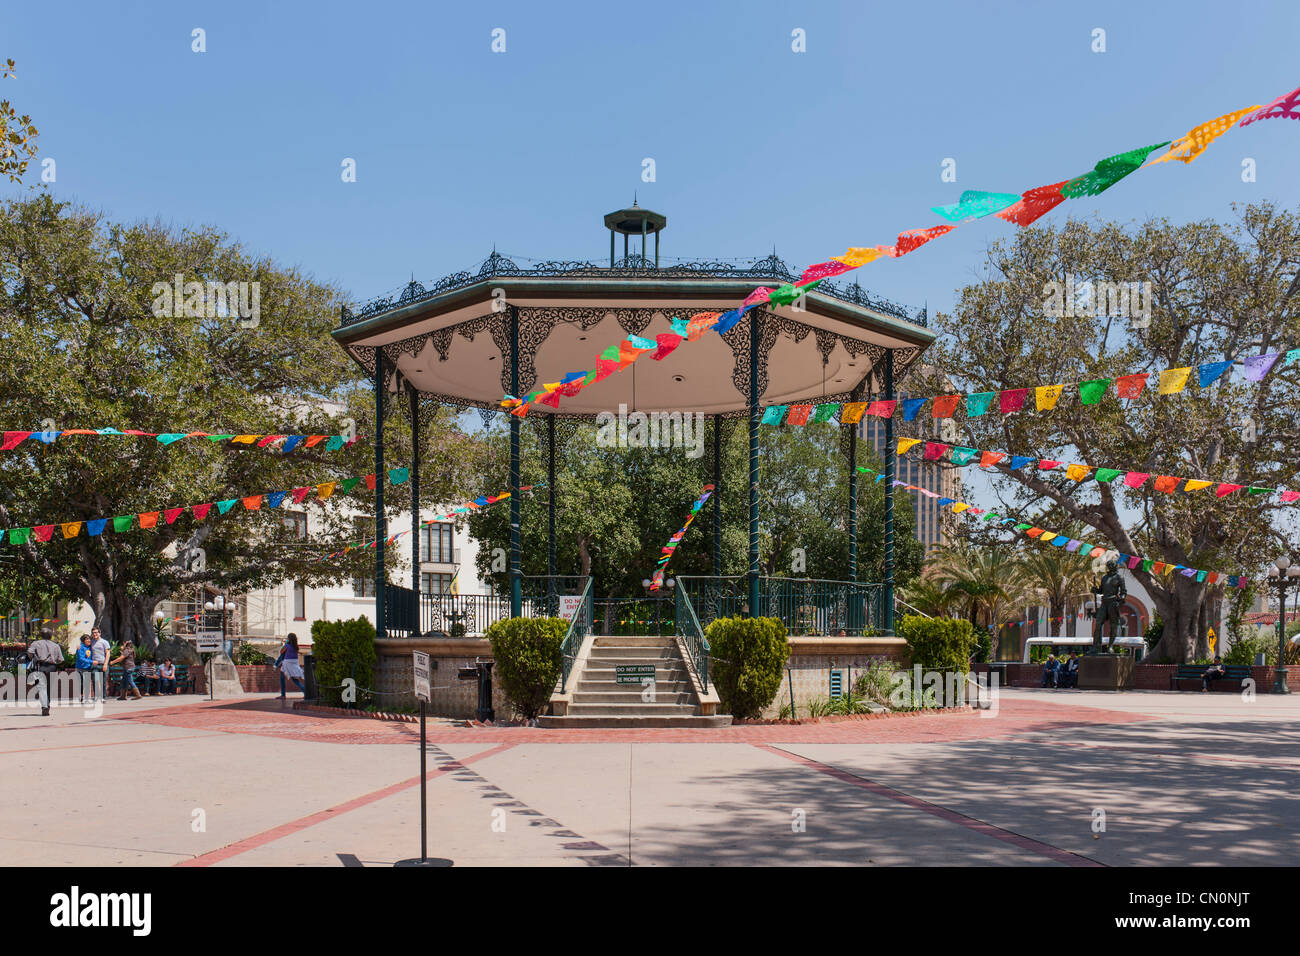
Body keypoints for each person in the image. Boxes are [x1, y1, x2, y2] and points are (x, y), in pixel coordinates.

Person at [26, 627, 64, 716]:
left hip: (41, 666)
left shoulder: (35, 643)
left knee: (42, 687)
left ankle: (45, 707)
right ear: (51, 636)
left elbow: (30, 653)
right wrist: (54, 662)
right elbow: (61, 659)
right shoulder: (56, 645)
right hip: (52, 667)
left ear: (41, 635)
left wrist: (34, 659)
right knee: (49, 688)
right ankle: (47, 705)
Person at [275, 632, 305, 699]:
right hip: (295, 662)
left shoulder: (287, 646)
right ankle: (305, 691)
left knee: (282, 677)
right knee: (295, 679)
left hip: (287, 662)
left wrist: (285, 643)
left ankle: (283, 694)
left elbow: (281, 651)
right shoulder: (296, 646)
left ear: (289, 639)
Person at [89, 626, 110, 703]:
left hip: (103, 664)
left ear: (99, 633)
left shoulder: (104, 642)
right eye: (93, 633)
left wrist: (105, 664)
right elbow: (84, 647)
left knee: (103, 682)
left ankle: (103, 697)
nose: (94, 634)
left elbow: (108, 653)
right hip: (94, 665)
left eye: (96, 632)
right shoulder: (91, 642)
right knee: (95, 681)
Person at [74, 634, 95, 704]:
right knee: (81, 684)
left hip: (87, 668)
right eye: (87, 639)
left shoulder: (91, 647)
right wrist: (92, 662)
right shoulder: (81, 647)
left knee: (87, 684)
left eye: (89, 639)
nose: (89, 640)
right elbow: (81, 658)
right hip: (80, 668)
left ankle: (86, 698)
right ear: (83, 641)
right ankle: (81, 697)